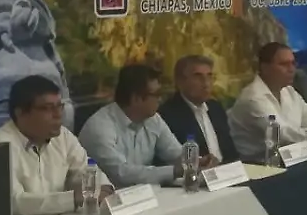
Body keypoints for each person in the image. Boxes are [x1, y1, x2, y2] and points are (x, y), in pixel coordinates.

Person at [0, 75, 112, 215]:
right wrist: (72, 198)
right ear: (20, 113)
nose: (58, 114)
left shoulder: (63, 136)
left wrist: (103, 188)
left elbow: (87, 171)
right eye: (47, 108)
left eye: (60, 106)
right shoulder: (0, 144)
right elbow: (14, 202)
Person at [79, 64, 209, 187]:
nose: (160, 99)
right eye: (156, 94)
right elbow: (121, 174)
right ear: (136, 98)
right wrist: (175, 170)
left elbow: (174, 152)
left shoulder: (153, 119)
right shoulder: (99, 128)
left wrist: (199, 161)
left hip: (143, 195)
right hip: (106, 198)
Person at [229, 42, 307, 161]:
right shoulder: (253, 98)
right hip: (259, 165)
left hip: (290, 157)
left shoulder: (289, 91)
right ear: (265, 68)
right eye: (284, 64)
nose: (291, 69)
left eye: (293, 63)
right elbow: (284, 135)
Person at [157, 55, 239, 164]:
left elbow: (231, 152)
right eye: (198, 77)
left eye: (209, 76)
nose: (206, 84)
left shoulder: (215, 108)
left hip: (228, 171)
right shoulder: (167, 115)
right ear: (180, 81)